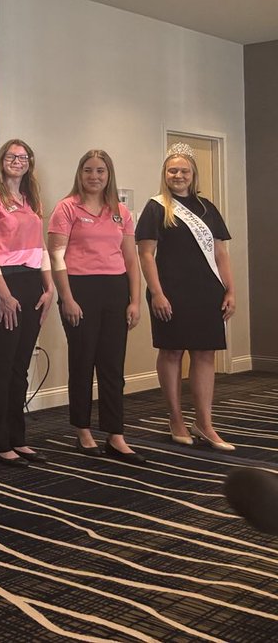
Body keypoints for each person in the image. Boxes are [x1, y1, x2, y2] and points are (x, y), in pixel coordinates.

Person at [137, 144, 236, 452]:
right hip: (169, 292)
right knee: (172, 353)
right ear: (165, 174)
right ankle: (176, 418)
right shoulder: (156, 207)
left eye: (184, 171)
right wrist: (157, 293)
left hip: (206, 291)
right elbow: (146, 254)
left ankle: (204, 423)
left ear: (193, 175)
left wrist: (230, 289)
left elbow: (220, 253)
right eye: (172, 170)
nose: (178, 176)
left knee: (206, 354)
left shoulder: (207, 207)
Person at [47, 149, 143, 464]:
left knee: (113, 367)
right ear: (80, 173)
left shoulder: (121, 212)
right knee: (83, 362)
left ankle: (116, 435)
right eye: (88, 170)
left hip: (115, 290)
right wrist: (68, 298)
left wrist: (135, 300)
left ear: (108, 175)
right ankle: (83, 429)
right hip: (79, 290)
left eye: (100, 171)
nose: (94, 176)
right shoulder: (66, 208)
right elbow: (56, 257)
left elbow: (131, 259)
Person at [0, 140, 54, 467]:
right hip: (1, 285)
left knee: (21, 366)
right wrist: (4, 294)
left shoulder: (31, 199)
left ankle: (17, 437)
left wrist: (49, 286)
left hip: (33, 283)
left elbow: (41, 246)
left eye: (23, 157)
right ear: (1, 161)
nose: (17, 161)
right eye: (11, 156)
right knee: (2, 365)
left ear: (29, 162)